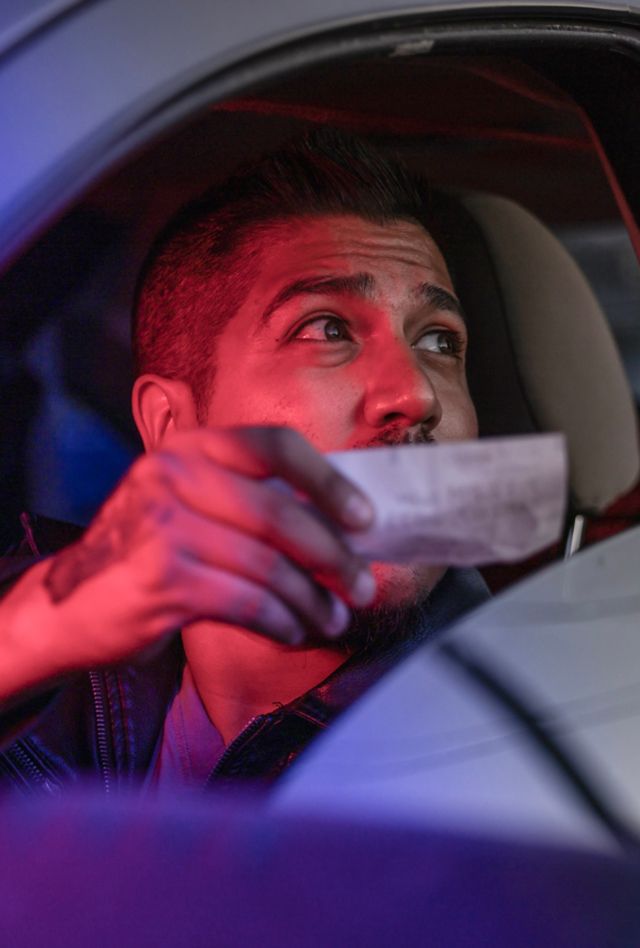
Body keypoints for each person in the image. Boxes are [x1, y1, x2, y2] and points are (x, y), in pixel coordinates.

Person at [0, 130, 488, 792]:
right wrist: (35, 636)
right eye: (327, 329)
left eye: (438, 341)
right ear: (172, 425)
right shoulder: (49, 652)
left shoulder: (532, 749)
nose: (416, 393)